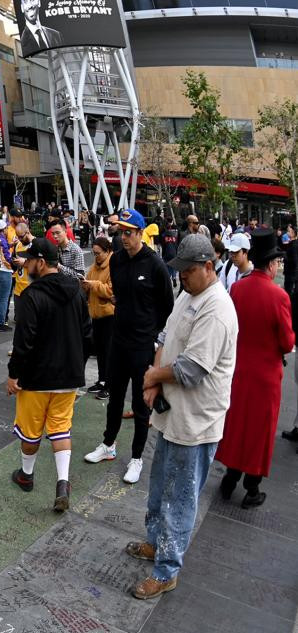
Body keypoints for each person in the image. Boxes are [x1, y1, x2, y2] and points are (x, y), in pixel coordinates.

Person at [126, 232, 238, 599]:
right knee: (160, 485)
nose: (181, 278)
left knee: (181, 497)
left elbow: (192, 369)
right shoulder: (189, 294)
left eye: (187, 271)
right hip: (173, 415)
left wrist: (153, 376)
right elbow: (164, 337)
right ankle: (156, 542)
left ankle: (167, 569)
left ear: (209, 267)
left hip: (196, 421)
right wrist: (155, 382)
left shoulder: (218, 309)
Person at [81, 209, 174, 484]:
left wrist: (153, 336)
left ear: (140, 233)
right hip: (118, 340)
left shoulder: (155, 264)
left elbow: (166, 307)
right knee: (115, 397)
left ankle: (136, 458)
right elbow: (115, 294)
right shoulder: (118, 260)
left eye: (129, 232)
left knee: (140, 403)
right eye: (121, 232)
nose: (124, 237)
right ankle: (108, 445)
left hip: (143, 344)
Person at [7, 238, 91, 512]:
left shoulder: (32, 295)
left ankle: (26, 476)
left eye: (29, 260)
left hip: (37, 377)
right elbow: (88, 333)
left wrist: (14, 374)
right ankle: (63, 483)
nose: (26, 264)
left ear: (41, 263)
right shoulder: (77, 291)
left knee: (30, 432)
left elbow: (23, 341)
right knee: (60, 428)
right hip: (69, 376)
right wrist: (76, 361)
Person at [214, 230, 294, 507]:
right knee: (260, 431)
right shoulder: (279, 296)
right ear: (272, 264)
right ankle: (251, 487)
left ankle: (230, 478)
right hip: (266, 375)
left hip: (239, 369)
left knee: (238, 424)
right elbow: (286, 342)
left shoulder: (238, 288)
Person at [83, 236, 115, 400]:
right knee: (101, 351)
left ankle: (110, 385)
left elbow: (111, 291)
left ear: (107, 251)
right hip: (95, 314)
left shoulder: (113, 266)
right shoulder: (94, 267)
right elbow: (89, 282)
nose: (96, 257)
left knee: (109, 352)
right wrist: (84, 284)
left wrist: (93, 285)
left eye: (98, 253)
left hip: (110, 316)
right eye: (94, 253)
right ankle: (102, 381)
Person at [0, 219, 15, 332]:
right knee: (4, 299)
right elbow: (7, 256)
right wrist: (15, 263)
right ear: (4, 229)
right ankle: (0, 322)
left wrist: (11, 244)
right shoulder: (3, 241)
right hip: (5, 271)